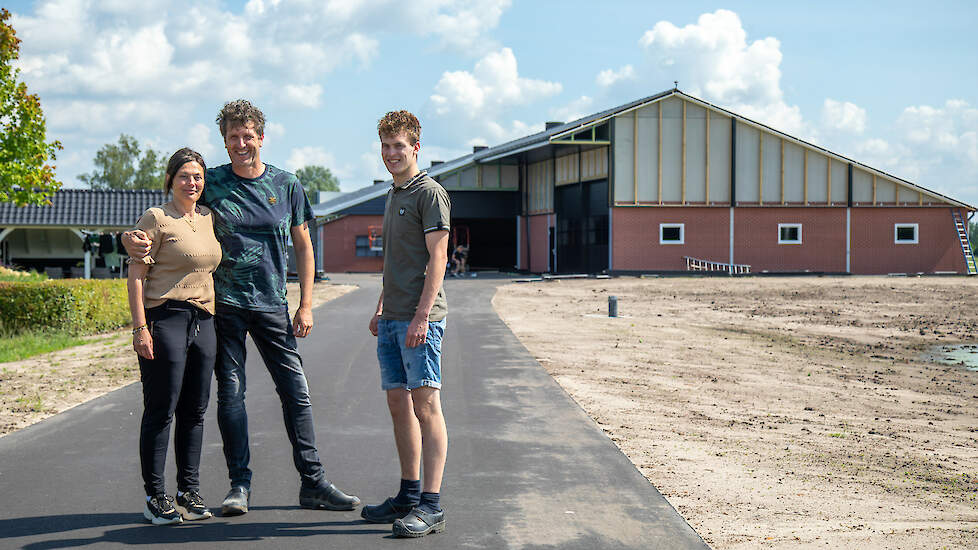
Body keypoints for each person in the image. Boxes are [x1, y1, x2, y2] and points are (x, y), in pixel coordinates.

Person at [124, 100, 359, 516]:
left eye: (247, 135)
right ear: (225, 141)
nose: (240, 143)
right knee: (232, 397)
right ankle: (239, 485)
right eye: (233, 137)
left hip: (272, 305)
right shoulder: (208, 181)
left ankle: (314, 481)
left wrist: (306, 303)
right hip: (224, 308)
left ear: (261, 138)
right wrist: (127, 240)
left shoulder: (287, 184)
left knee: (297, 394)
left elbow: (304, 246)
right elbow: (166, 216)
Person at [362, 110, 451, 538]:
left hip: (422, 320)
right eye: (385, 146)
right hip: (394, 317)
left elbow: (439, 258)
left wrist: (420, 315)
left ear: (416, 148)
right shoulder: (394, 193)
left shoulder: (428, 194)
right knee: (399, 405)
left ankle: (431, 506)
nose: (392, 153)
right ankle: (408, 493)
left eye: (399, 146)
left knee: (426, 406)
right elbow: (395, 260)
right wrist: (382, 306)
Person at [127, 148, 223, 525]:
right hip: (165, 318)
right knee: (161, 410)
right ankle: (155, 497)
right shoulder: (156, 217)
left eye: (198, 176)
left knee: (195, 411)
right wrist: (140, 328)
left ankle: (188, 491)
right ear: (171, 179)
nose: (192, 182)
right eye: (185, 175)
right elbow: (136, 274)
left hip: (204, 320)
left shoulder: (207, 217)